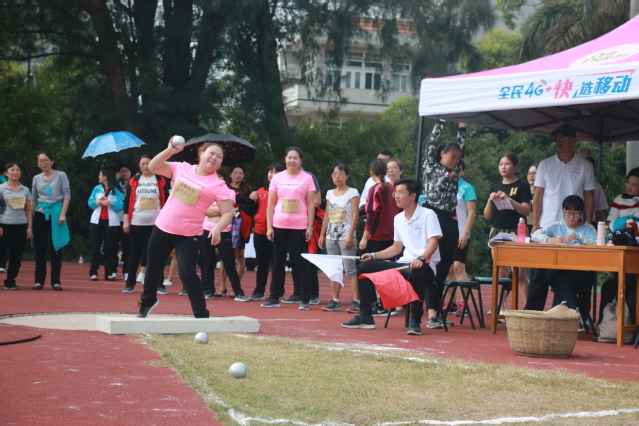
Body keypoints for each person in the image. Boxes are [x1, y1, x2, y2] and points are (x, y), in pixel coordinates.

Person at [137, 138, 233, 318]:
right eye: (211, 153)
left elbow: (228, 212)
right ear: (201, 154)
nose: (214, 157)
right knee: (153, 268)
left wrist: (218, 227)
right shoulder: (182, 168)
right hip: (163, 227)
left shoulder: (218, 185)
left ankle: (201, 314)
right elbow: (153, 167)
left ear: (221, 162)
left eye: (219, 157)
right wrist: (169, 150)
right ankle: (148, 301)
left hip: (188, 235)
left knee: (187, 274)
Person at [341, 178, 443, 335]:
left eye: (401, 192)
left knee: (415, 273)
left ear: (413, 196)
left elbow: (433, 244)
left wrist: (421, 259)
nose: (396, 196)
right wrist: (374, 256)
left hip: (425, 265)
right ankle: (365, 316)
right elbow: (396, 248)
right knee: (364, 268)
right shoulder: (398, 218)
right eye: (396, 192)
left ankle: (415, 320)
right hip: (403, 264)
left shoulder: (428, 215)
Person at [525, 124, 595, 311]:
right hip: (548, 226)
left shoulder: (585, 166)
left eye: (563, 138)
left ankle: (575, 313)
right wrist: (535, 224)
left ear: (574, 140)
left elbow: (589, 196)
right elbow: (538, 196)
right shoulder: (545, 164)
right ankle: (533, 312)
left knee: (572, 273)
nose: (559, 142)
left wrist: (586, 223)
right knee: (538, 274)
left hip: (574, 228)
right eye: (556, 139)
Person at [261, 147, 316, 310]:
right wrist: (269, 226)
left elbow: (311, 204)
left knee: (300, 263)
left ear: (301, 161)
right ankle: (274, 297)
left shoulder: (307, 178)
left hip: (299, 226)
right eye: (289, 158)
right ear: (285, 159)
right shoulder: (277, 178)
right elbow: (270, 204)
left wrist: (310, 227)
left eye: (295, 158)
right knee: (277, 263)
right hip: (279, 225)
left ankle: (305, 298)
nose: (292, 161)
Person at [421, 120, 466, 285]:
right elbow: (432, 143)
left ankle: (437, 294)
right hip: (433, 214)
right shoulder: (430, 165)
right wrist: (440, 122)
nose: (455, 160)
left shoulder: (455, 170)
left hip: (450, 218)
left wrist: (462, 127)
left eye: (457, 158)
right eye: (452, 157)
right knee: (431, 256)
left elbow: (462, 146)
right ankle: (425, 291)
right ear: (442, 154)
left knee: (447, 259)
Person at [531, 195, 596, 310]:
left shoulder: (588, 229)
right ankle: (573, 314)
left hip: (579, 272)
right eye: (568, 212)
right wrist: (551, 240)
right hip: (556, 269)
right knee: (559, 274)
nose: (571, 216)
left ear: (581, 213)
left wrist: (578, 236)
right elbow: (535, 235)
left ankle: (559, 315)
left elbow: (597, 244)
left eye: (575, 213)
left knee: (562, 279)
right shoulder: (556, 226)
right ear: (563, 211)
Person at [484, 151, 531, 305]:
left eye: (507, 164)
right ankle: (500, 308)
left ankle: (529, 307)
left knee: (520, 273)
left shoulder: (522, 186)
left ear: (515, 166)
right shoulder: (495, 186)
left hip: (517, 231)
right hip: (498, 230)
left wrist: (509, 199)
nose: (503, 167)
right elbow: (488, 216)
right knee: (500, 272)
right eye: (501, 164)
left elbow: (526, 210)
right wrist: (490, 201)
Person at [121, 155, 170, 293]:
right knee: (134, 254)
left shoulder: (160, 180)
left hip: (156, 222)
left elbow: (166, 200)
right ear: (139, 165)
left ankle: (159, 284)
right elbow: (127, 202)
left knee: (157, 253)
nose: (145, 166)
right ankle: (130, 284)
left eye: (148, 163)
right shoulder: (134, 181)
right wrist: (126, 221)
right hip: (137, 221)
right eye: (143, 164)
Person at [318, 163, 360, 313]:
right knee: (334, 269)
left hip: (346, 235)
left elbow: (355, 215)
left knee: (350, 268)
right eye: (334, 174)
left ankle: (357, 300)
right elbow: (327, 215)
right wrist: (322, 234)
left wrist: (350, 235)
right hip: (331, 235)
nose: (337, 177)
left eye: (341, 173)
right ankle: (335, 300)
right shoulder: (329, 193)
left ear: (347, 176)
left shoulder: (352, 192)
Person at [599, 167, 639, 324]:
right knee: (612, 285)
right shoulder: (619, 199)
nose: (629, 187)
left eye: (634, 185)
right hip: (621, 249)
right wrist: (625, 223)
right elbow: (610, 224)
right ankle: (606, 325)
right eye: (628, 183)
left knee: (623, 285)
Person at [201, 178, 247, 301]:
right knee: (207, 262)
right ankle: (208, 290)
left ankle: (238, 291)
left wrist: (216, 211)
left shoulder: (230, 193)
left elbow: (229, 211)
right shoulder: (207, 192)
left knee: (229, 262)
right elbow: (204, 210)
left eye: (221, 178)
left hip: (224, 231)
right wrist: (222, 210)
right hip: (207, 230)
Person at [31, 150, 71, 291]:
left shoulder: (61, 175)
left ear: (52, 161)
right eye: (40, 161)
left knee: (56, 248)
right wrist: (30, 220)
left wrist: (63, 214)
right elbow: (34, 199)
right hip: (41, 213)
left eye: (46, 160)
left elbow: (67, 195)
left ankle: (56, 281)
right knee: (40, 249)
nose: (43, 163)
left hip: (56, 213)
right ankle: (39, 281)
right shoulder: (36, 178)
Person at [443, 165, 476, 316]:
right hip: (446, 234)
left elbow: (472, 213)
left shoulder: (467, 188)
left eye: (457, 169)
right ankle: (451, 303)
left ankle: (464, 304)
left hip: (461, 234)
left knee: (458, 267)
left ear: (462, 171)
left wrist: (465, 233)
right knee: (448, 268)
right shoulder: (444, 186)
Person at [248, 162, 284, 301]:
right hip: (259, 231)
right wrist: (251, 200)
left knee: (277, 263)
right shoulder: (259, 192)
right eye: (270, 171)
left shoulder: (283, 192)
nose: (272, 174)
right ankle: (259, 291)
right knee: (262, 263)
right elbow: (251, 212)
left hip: (277, 231)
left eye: (276, 172)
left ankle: (278, 292)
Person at [218, 165, 254, 297]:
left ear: (243, 175)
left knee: (239, 255)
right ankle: (222, 286)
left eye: (241, 173)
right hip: (226, 224)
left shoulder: (247, 190)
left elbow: (252, 209)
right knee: (225, 255)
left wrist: (243, 205)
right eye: (236, 172)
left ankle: (235, 286)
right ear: (231, 174)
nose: (238, 175)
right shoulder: (224, 188)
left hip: (241, 226)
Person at [87, 168, 125, 281]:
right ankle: (93, 272)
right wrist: (96, 202)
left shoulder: (117, 190)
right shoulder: (97, 189)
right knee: (95, 247)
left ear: (106, 176)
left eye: (100, 174)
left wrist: (111, 203)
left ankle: (110, 272)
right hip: (97, 221)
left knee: (110, 248)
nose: (99, 177)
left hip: (112, 222)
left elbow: (121, 205)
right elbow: (90, 203)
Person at [0, 162, 33, 290]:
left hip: (20, 225)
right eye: (12, 170)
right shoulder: (2, 188)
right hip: (4, 224)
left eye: (17, 170)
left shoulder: (25, 190)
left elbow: (28, 210)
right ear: (6, 173)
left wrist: (29, 227)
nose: (15, 172)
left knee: (16, 254)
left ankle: (10, 280)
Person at [114, 163, 132, 280]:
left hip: (129, 219)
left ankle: (127, 271)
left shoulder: (134, 183)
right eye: (122, 171)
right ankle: (112, 269)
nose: (124, 173)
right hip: (117, 218)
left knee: (127, 247)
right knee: (114, 245)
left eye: (126, 170)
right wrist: (115, 179)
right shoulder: (117, 185)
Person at [525, 164, 538, 234]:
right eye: (529, 173)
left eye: (534, 173)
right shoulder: (524, 192)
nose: (531, 176)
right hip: (525, 226)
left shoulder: (545, 194)